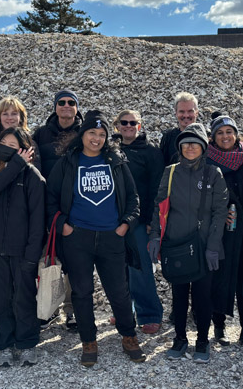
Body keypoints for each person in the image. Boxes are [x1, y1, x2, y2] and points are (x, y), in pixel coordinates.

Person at [46, 110, 145, 367]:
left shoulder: (116, 161)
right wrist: (63, 226)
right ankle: (89, 339)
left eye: (102, 134)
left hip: (112, 237)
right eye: (92, 132)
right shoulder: (68, 162)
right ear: (83, 134)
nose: (97, 139)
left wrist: (125, 225)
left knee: (119, 291)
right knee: (81, 291)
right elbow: (50, 199)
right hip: (78, 238)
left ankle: (129, 335)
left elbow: (133, 198)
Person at [149, 123, 228, 364]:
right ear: (180, 148)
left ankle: (202, 340)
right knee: (179, 294)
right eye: (186, 144)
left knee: (203, 296)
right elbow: (159, 206)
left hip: (204, 245)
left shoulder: (214, 174)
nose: (190, 147)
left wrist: (214, 245)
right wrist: (155, 235)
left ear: (203, 147)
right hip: (176, 245)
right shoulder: (171, 172)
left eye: (195, 143)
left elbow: (220, 211)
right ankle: (180, 338)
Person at [0, 97, 40, 339]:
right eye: (6, 113)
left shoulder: (30, 143)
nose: (10, 117)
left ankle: (17, 321)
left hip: (20, 215)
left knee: (20, 269)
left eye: (15, 113)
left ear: (22, 117)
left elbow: (37, 176)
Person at [0, 127, 45, 367]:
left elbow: (38, 220)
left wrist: (32, 253)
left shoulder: (33, 177)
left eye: (13, 144)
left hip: (23, 251)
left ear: (24, 148)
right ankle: (3, 344)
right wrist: (15, 165)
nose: (7, 147)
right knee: (1, 299)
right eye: (4, 143)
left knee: (24, 298)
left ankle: (27, 343)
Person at [205, 114, 243, 347]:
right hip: (220, 230)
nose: (225, 136)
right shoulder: (206, 162)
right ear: (213, 137)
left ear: (236, 134)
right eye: (220, 133)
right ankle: (218, 326)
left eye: (229, 132)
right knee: (218, 276)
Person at [33, 89, 83, 329]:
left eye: (70, 102)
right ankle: (49, 307)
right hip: (48, 206)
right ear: (55, 107)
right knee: (48, 258)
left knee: (75, 262)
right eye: (61, 102)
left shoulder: (85, 134)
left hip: (77, 206)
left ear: (76, 108)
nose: (66, 106)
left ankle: (72, 309)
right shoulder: (41, 134)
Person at [113, 110, 165, 334]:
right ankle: (125, 311)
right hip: (113, 219)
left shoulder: (151, 152)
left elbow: (157, 188)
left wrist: (152, 220)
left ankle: (150, 313)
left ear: (140, 126)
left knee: (141, 267)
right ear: (117, 125)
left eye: (133, 123)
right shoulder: (110, 151)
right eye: (124, 123)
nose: (128, 126)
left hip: (140, 220)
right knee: (118, 268)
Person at [159, 92, 200, 165]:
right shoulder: (168, 138)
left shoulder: (207, 138)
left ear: (197, 113)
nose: (186, 115)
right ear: (176, 113)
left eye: (190, 111)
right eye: (182, 111)